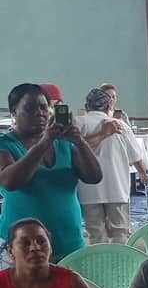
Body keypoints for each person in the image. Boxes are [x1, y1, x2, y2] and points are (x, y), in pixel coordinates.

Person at [0, 84, 103, 262]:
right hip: (24, 246)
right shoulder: (6, 145)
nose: (39, 113)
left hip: (69, 241)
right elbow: (11, 182)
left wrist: (79, 142)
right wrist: (45, 141)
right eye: (30, 107)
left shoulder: (64, 143)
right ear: (14, 111)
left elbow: (94, 176)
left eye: (43, 107)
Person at [76, 87, 148, 245]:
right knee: (120, 232)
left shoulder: (78, 123)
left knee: (95, 233)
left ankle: (100, 265)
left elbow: (73, 148)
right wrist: (143, 174)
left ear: (87, 107)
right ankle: (119, 264)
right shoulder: (120, 125)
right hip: (117, 188)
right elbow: (136, 156)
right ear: (109, 106)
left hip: (88, 189)